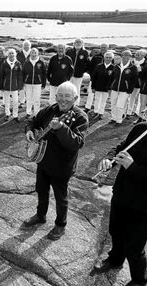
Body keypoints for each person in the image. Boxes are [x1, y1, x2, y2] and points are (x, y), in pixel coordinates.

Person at [94, 94, 147, 286]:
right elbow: (120, 148)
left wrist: (132, 167)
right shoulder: (140, 129)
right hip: (123, 195)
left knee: (134, 245)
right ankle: (115, 259)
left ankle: (140, 279)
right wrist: (109, 160)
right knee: (116, 231)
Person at [22, 81, 88, 240]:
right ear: (56, 96)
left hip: (62, 166)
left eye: (68, 96)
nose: (63, 100)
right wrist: (30, 130)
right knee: (41, 190)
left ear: (75, 98)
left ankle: (60, 225)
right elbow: (33, 120)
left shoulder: (80, 117)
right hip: (43, 161)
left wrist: (61, 128)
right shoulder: (50, 109)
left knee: (60, 197)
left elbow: (76, 143)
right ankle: (40, 215)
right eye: (60, 96)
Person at [109, 50, 138, 125]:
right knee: (113, 104)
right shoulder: (116, 66)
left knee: (119, 106)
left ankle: (119, 120)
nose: (125, 56)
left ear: (130, 57)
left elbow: (134, 80)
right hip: (115, 88)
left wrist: (130, 89)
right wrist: (111, 86)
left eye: (128, 55)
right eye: (124, 55)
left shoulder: (133, 67)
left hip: (125, 90)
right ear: (121, 56)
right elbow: (112, 77)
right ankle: (113, 118)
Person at [0, 49, 23, 122]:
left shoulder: (18, 63)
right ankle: (7, 114)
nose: (11, 54)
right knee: (7, 101)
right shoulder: (4, 63)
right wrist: (1, 86)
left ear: (15, 54)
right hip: (6, 86)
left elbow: (20, 76)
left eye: (12, 53)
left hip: (15, 86)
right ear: (8, 54)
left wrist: (20, 86)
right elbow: (1, 76)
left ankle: (15, 115)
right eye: (10, 53)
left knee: (15, 101)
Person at [22, 48, 47, 118]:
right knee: (28, 98)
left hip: (38, 83)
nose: (33, 53)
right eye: (32, 52)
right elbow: (23, 73)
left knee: (36, 99)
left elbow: (44, 73)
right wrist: (23, 82)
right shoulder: (26, 62)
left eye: (35, 52)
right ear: (30, 53)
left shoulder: (41, 62)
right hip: (28, 83)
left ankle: (36, 113)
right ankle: (28, 112)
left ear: (37, 53)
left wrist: (43, 83)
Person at [85, 43, 109, 112]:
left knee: (101, 97)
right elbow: (90, 67)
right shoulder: (96, 57)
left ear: (107, 48)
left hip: (104, 81)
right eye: (102, 47)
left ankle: (98, 110)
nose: (103, 49)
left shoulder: (109, 57)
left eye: (105, 47)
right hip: (94, 79)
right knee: (91, 93)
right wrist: (92, 76)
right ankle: (88, 107)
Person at [91, 51, 115, 119]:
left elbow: (113, 79)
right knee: (97, 99)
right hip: (98, 86)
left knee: (103, 101)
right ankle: (96, 112)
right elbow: (94, 77)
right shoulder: (99, 66)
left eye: (110, 57)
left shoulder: (113, 67)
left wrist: (111, 88)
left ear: (112, 58)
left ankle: (101, 113)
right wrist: (93, 87)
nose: (108, 59)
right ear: (104, 58)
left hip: (107, 88)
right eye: (106, 57)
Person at [66, 38, 89, 106]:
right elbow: (66, 61)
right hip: (69, 75)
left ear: (82, 44)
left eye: (79, 42)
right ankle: (68, 102)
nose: (78, 43)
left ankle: (76, 104)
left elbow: (87, 64)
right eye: (76, 42)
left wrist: (82, 71)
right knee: (68, 89)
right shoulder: (69, 51)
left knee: (77, 89)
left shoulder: (84, 52)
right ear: (74, 43)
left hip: (78, 75)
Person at [125, 49, 147, 119]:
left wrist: (140, 71)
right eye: (136, 54)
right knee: (131, 98)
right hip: (131, 83)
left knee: (137, 99)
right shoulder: (132, 62)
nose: (136, 56)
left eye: (139, 55)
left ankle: (134, 111)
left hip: (140, 84)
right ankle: (129, 112)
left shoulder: (145, 64)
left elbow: (144, 75)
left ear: (143, 56)